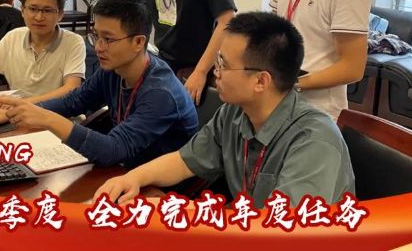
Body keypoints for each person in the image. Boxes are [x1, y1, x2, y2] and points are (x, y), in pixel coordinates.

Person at [94, 12, 354, 207]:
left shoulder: (314, 141)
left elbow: (283, 230)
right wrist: (133, 179)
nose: (215, 72)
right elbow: (185, 161)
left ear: (261, 81)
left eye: (223, 64)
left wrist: (185, 211)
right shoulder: (234, 113)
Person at [0, 0, 199, 168]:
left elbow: (113, 150)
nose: (98, 47)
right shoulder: (113, 69)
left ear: (138, 42)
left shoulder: (161, 93)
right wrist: (18, 111)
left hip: (164, 190)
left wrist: (47, 119)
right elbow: (73, 101)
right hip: (128, 171)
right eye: (96, 36)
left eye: (107, 39)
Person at [0, 0, 86, 104]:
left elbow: (71, 88)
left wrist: (24, 104)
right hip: (16, 111)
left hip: (56, 113)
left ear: (60, 14)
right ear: (22, 10)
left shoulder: (74, 42)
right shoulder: (13, 37)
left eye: (47, 10)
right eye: (33, 9)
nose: (39, 17)